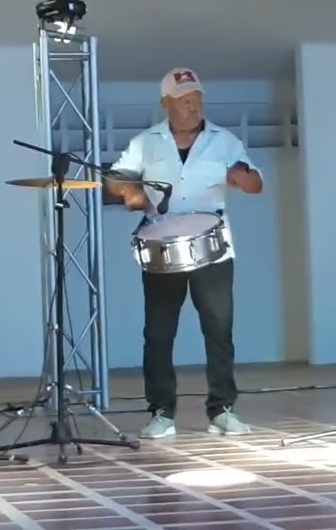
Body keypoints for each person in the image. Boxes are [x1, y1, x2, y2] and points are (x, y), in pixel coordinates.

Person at [105, 67, 264, 439]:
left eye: (197, 99)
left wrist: (244, 179)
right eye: (185, 100)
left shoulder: (225, 141)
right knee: (159, 333)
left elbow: (256, 183)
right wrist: (130, 192)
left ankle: (222, 410)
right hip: (161, 246)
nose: (194, 107)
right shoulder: (147, 142)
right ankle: (161, 413)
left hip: (213, 247)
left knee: (218, 330)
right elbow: (114, 177)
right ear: (166, 104)